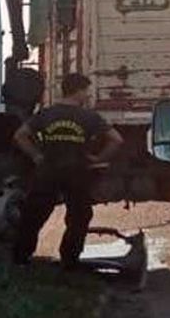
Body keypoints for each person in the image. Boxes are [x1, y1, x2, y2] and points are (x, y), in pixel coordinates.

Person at [11, 73, 125, 268]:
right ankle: (70, 260)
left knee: (34, 214)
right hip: (77, 172)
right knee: (78, 217)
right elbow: (116, 139)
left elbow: (20, 135)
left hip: (48, 171)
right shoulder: (89, 117)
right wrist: (99, 159)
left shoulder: (47, 114)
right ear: (79, 91)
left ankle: (21, 258)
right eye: (85, 91)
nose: (87, 96)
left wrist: (36, 156)